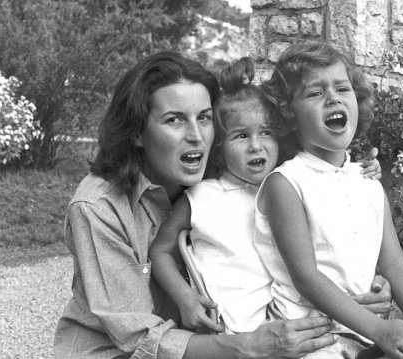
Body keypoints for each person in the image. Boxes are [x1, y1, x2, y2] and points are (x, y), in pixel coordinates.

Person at [53, 50, 390, 358]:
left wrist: (360, 285)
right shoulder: (98, 207)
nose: (196, 135)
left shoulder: (228, 172)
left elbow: (314, 192)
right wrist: (248, 346)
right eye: (174, 120)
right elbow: (139, 338)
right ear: (137, 132)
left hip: (209, 341)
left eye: (203, 118)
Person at [148, 57, 389, 336]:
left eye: (266, 133)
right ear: (220, 146)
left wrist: (360, 169)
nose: (255, 146)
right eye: (240, 136)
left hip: (291, 325)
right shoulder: (203, 196)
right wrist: (184, 298)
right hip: (228, 333)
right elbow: (160, 250)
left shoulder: (291, 188)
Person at [255, 42, 403, 359]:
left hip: (365, 332)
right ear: (289, 114)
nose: (332, 98)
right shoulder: (287, 182)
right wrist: (378, 330)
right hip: (311, 335)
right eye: (314, 93)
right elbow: (306, 277)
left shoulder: (368, 183)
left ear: (357, 101)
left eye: (342, 88)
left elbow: (394, 262)